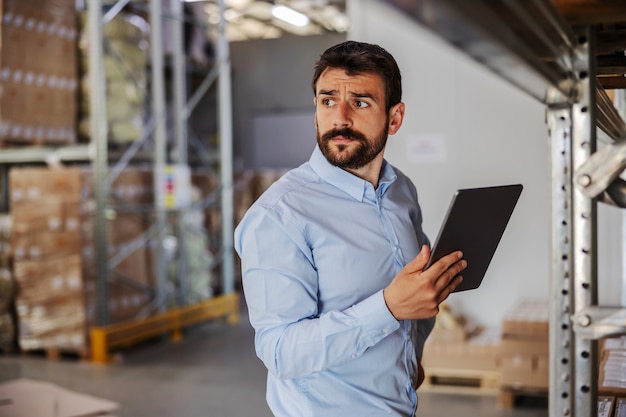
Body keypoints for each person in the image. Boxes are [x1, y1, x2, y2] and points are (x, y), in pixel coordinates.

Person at [234, 40, 467, 417]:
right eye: (328, 101)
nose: (340, 117)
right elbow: (281, 352)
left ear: (394, 118)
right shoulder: (280, 215)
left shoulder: (401, 191)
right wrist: (388, 307)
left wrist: (410, 361)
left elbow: (415, 296)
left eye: (360, 103)